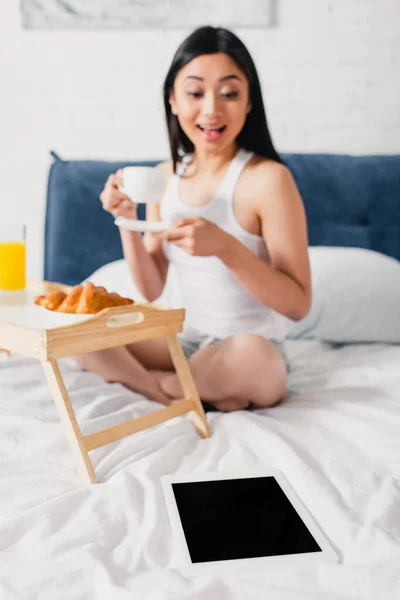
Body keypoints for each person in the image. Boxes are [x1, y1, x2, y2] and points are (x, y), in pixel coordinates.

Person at [77, 26, 311, 412]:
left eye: (230, 93)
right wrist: (126, 220)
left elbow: (298, 305)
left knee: (254, 355)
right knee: (85, 330)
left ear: (249, 101)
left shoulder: (269, 180)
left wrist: (226, 248)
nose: (211, 110)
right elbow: (151, 289)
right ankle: (178, 391)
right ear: (172, 99)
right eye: (195, 92)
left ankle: (159, 387)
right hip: (186, 342)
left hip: (249, 349)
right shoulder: (164, 177)